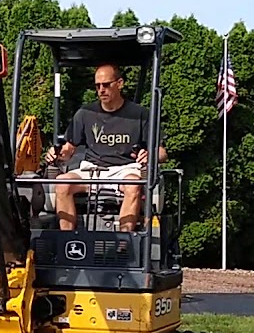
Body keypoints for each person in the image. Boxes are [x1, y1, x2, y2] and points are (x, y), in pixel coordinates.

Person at [43, 64, 167, 231]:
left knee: (134, 184)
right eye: (98, 86)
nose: (101, 90)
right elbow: (68, 149)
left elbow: (162, 153)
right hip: (92, 170)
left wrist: (150, 155)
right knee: (62, 183)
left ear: (120, 83)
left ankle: (124, 242)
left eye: (106, 84)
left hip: (125, 169)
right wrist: (57, 154)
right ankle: (69, 242)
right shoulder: (85, 113)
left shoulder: (141, 114)